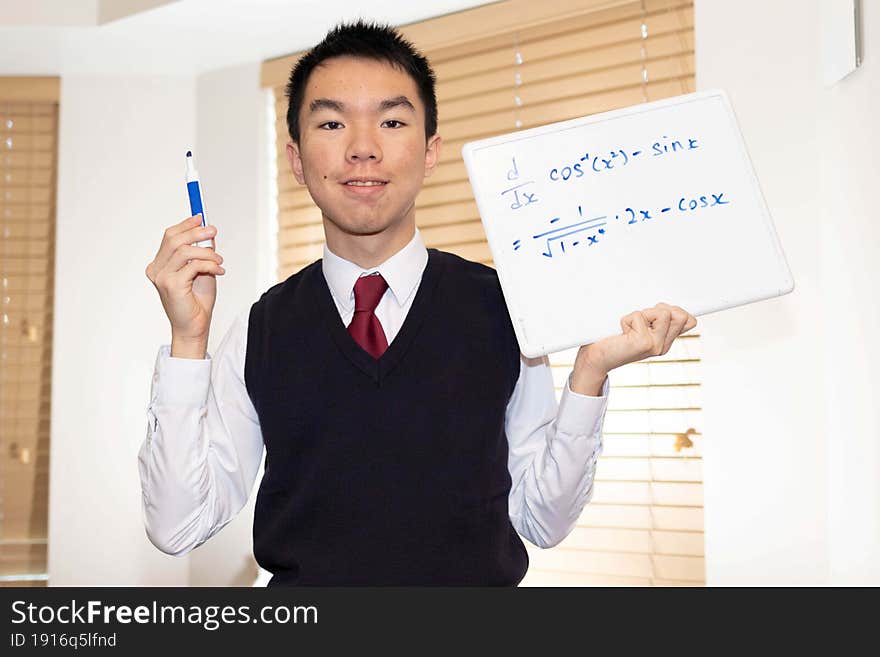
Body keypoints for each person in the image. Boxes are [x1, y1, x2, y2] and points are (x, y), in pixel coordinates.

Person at [140, 20, 696, 586]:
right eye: (332, 122)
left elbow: (541, 520)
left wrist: (589, 375)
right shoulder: (262, 328)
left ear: (430, 151)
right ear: (298, 160)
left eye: (392, 121)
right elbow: (177, 526)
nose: (362, 148)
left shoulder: (505, 310)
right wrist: (189, 343)